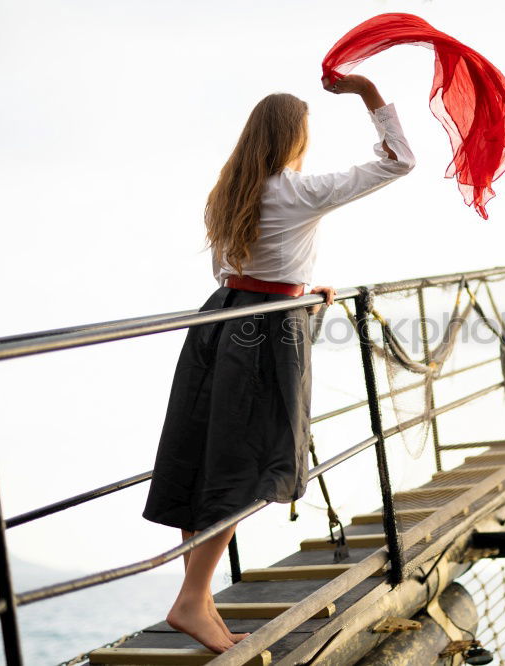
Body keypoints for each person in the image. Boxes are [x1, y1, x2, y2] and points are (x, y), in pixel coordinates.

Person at [141, 75, 415, 653]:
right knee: (251, 464)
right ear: (294, 137)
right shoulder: (299, 190)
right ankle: (192, 601)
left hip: (219, 322)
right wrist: (369, 94)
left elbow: (232, 272)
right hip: (268, 332)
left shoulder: (229, 190)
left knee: (209, 460)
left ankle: (201, 600)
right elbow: (400, 162)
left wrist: (307, 290)